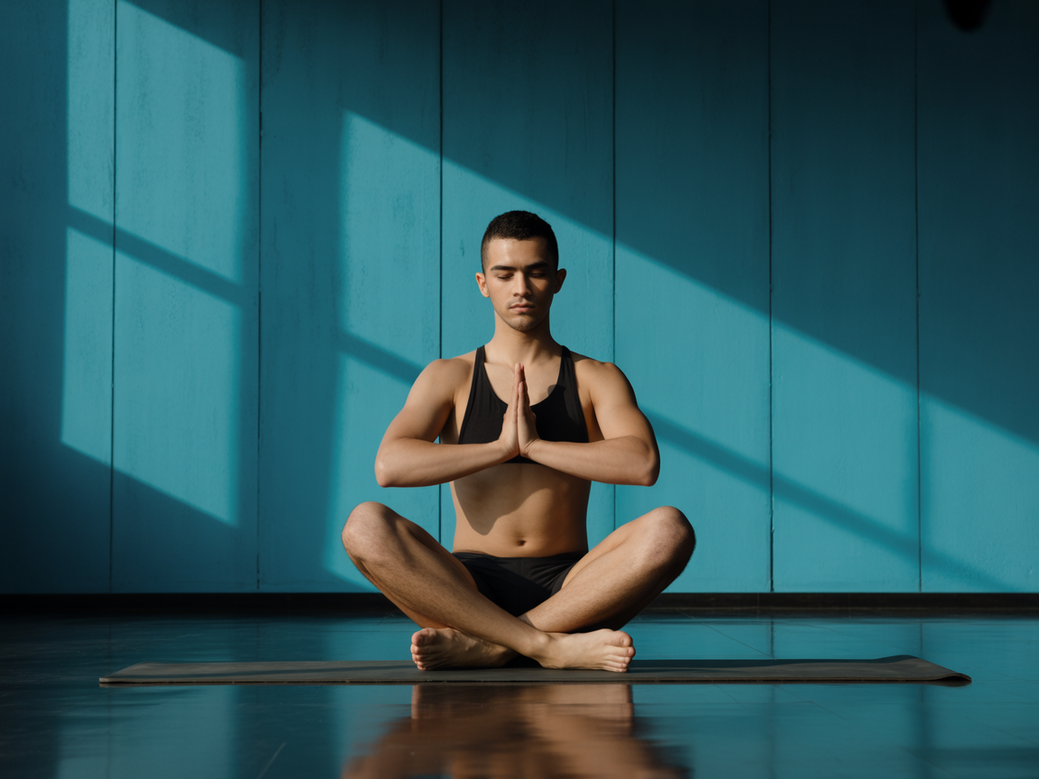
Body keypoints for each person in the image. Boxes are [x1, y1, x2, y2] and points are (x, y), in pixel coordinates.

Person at [341, 211, 694, 673]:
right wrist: (499, 448)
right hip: (466, 585)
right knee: (363, 525)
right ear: (483, 282)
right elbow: (390, 466)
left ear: (558, 280)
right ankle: (547, 646)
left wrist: (535, 447)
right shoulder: (450, 376)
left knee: (670, 529)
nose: (521, 288)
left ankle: (491, 645)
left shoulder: (595, 377)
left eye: (536, 272)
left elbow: (642, 463)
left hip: (573, 586)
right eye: (504, 274)